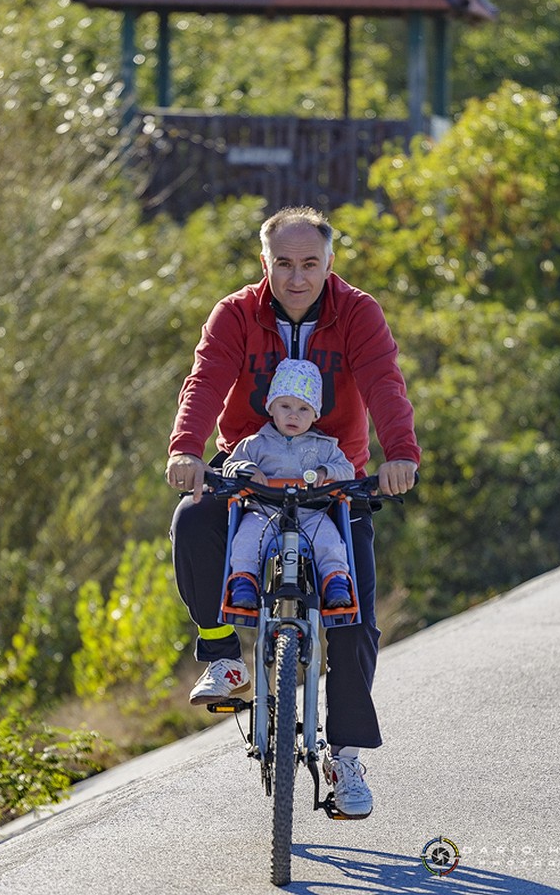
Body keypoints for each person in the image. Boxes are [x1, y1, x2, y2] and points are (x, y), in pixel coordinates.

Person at [166, 205, 420, 819]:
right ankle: (225, 655)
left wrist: (400, 455)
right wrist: (186, 449)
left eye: (310, 263)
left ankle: (347, 755)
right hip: (249, 469)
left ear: (330, 264)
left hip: (334, 479)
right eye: (284, 263)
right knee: (192, 521)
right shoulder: (235, 314)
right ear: (265, 263)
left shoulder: (358, 313)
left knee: (353, 614)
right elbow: (206, 380)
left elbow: (384, 382)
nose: (297, 276)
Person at [223, 357, 356, 611]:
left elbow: (347, 470)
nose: (293, 415)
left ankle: (335, 581)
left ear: (315, 414)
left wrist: (324, 471)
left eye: (304, 409)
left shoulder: (324, 446)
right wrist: (247, 469)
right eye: (285, 406)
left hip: (309, 514)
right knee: (247, 537)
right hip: (264, 512)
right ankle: (244, 582)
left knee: (329, 538)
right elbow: (229, 466)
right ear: (271, 407)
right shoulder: (255, 443)